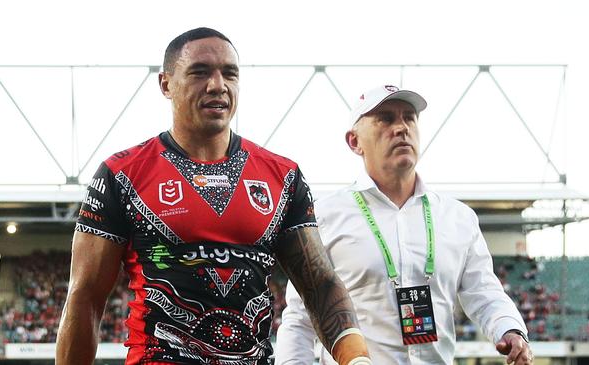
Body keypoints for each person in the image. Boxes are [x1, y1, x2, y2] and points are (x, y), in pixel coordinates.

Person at [55, 27, 371, 365]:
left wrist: (356, 359)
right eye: (200, 72)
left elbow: (320, 285)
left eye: (229, 73)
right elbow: (85, 297)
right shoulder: (121, 174)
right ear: (166, 84)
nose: (217, 84)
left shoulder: (283, 176)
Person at [275, 84, 534, 365]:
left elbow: (483, 290)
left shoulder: (458, 218)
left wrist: (509, 327)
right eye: (385, 118)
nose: (401, 128)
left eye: (409, 117)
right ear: (354, 141)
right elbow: (300, 318)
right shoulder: (324, 217)